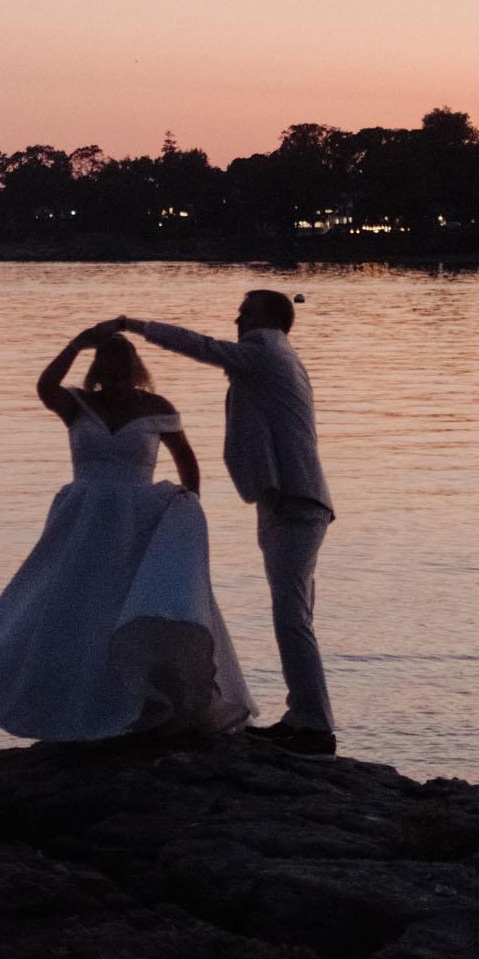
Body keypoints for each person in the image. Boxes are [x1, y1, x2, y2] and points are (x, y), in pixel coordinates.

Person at [0, 326, 255, 740]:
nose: (116, 380)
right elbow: (45, 384)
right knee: (72, 605)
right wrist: (75, 343)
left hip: (137, 520)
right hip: (83, 519)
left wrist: (184, 517)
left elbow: (187, 463)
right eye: (109, 372)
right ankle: (68, 704)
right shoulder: (77, 404)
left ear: (135, 371)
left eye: (123, 372)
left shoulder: (157, 407)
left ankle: (144, 704)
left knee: (128, 606)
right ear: (97, 371)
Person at [105, 291, 338, 756]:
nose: (237, 318)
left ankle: (315, 728)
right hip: (290, 501)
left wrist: (136, 324)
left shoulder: (265, 350)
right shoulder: (274, 356)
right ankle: (303, 718)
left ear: (269, 319)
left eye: (246, 312)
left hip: (296, 502)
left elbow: (202, 347)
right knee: (294, 617)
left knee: (292, 619)